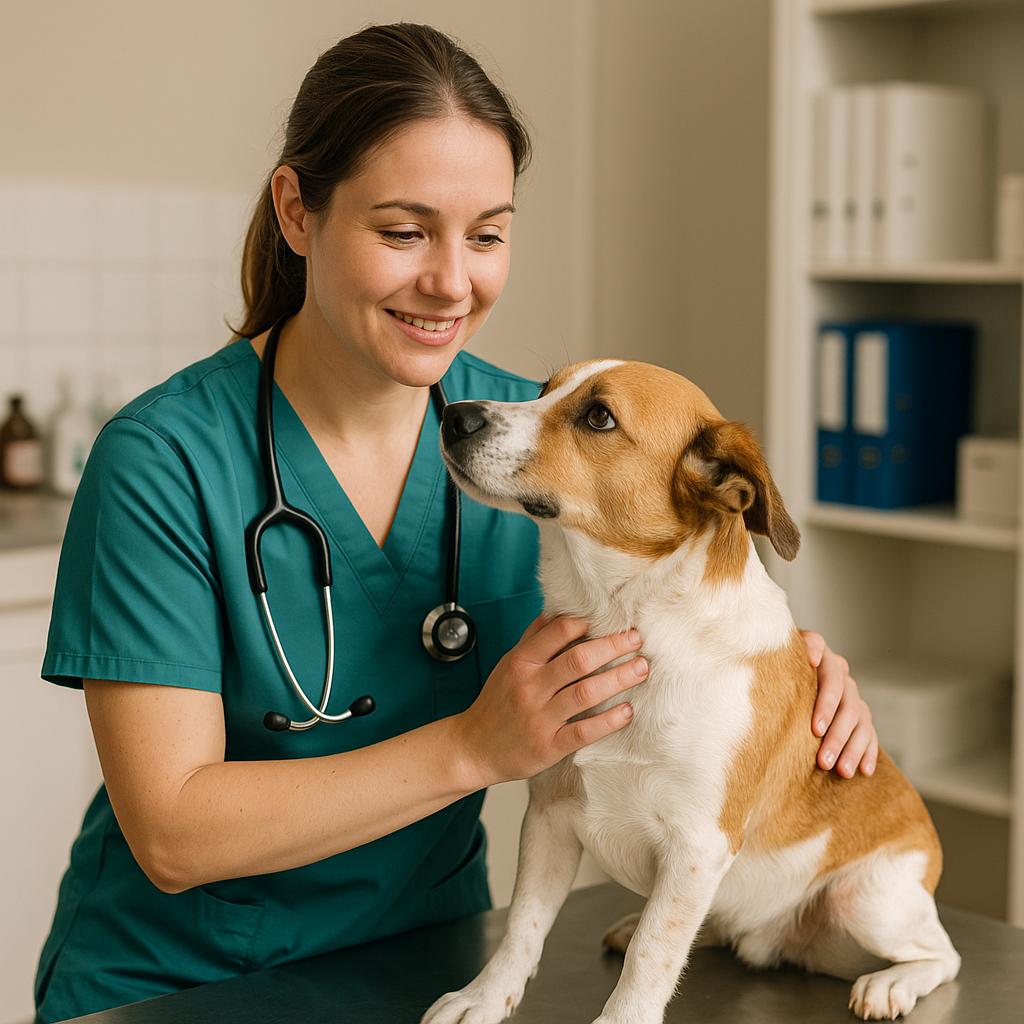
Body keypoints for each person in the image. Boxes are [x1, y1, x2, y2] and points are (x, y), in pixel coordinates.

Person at [33, 22, 877, 1023]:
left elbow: (680, 611)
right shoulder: (163, 461)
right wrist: (475, 748)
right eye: (403, 232)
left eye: (486, 235)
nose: (451, 282)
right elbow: (172, 833)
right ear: (297, 211)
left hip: (432, 962)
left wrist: (789, 685)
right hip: (182, 986)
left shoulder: (530, 448)